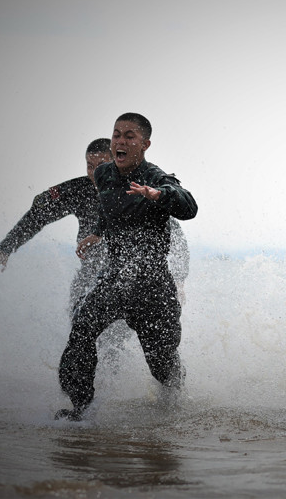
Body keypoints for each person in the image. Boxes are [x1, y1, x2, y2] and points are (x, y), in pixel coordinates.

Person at [55, 113, 198, 421]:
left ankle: (175, 406)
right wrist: (99, 232)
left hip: (152, 286)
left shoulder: (156, 177)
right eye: (116, 135)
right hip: (116, 278)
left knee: (162, 364)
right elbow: (112, 208)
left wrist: (159, 194)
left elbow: (189, 206)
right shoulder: (105, 173)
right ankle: (80, 409)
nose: (120, 141)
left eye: (129, 136)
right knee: (81, 328)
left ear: (144, 144)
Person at [0, 139, 191, 316]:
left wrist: (180, 280)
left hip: (128, 277)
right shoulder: (78, 190)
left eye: (100, 165)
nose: (94, 172)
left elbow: (175, 234)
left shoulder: (138, 189)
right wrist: (5, 248)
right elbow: (36, 217)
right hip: (89, 277)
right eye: (89, 165)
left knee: (114, 343)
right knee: (80, 334)